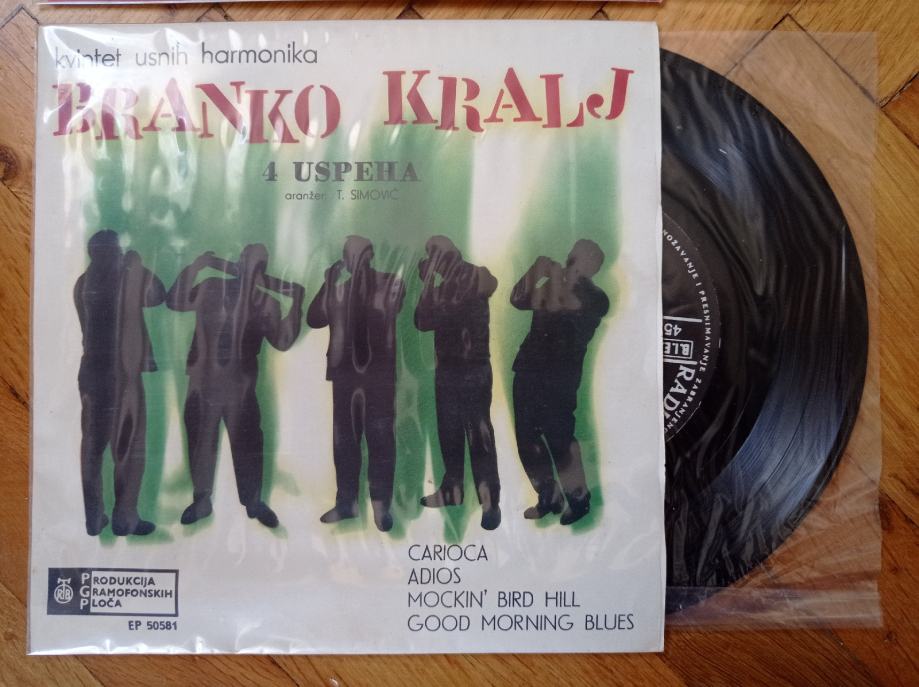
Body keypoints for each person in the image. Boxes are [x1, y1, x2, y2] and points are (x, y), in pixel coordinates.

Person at [166, 244, 304, 529]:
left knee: (249, 445)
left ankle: (253, 502)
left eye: (258, 264)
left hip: (241, 389)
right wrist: (196, 266)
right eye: (248, 261)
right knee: (200, 442)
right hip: (202, 384)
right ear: (239, 262)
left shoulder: (266, 303)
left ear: (263, 269)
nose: (252, 267)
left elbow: (283, 341)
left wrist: (297, 305)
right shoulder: (211, 287)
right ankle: (201, 501)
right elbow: (175, 301)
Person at [307, 236, 405, 532]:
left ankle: (381, 507)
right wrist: (328, 283)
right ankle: (346, 503)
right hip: (344, 375)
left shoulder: (390, 282)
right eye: (348, 254)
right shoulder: (338, 290)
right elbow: (314, 319)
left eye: (358, 253)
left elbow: (394, 306)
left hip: (378, 375)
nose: (353, 259)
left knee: (381, 440)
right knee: (345, 443)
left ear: (371, 254)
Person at [510, 239, 609, 526]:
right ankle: (548, 497)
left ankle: (578, 501)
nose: (569, 260)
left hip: (559, 379)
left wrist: (555, 279)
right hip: (528, 371)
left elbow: (567, 308)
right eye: (571, 256)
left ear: (591, 265)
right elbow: (518, 300)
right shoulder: (555, 286)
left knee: (560, 439)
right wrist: (534, 271)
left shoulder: (596, 298)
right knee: (526, 438)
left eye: (576, 258)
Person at [74, 230, 165, 536]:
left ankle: (93, 518)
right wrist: (136, 264)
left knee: (92, 447)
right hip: (123, 373)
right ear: (113, 252)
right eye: (118, 250)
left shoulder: (82, 283)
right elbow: (158, 295)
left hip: (90, 372)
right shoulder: (126, 278)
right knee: (128, 446)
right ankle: (125, 519)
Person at [415, 236, 501, 530]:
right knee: (451, 433)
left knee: (478, 435)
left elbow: (484, 286)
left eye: (434, 256)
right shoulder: (446, 285)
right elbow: (422, 321)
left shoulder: (475, 275)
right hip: (450, 369)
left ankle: (489, 503)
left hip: (472, 368)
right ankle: (456, 491)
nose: (431, 263)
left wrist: (431, 278)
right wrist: (431, 282)